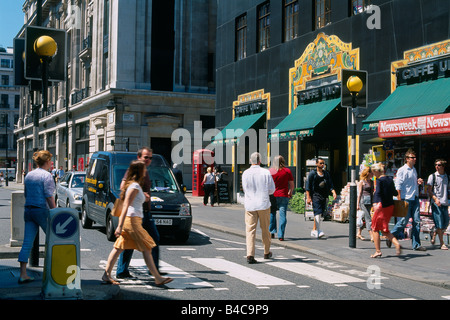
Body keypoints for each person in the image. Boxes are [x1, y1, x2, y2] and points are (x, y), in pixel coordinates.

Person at [102, 160, 173, 286]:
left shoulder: (135, 186)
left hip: (133, 221)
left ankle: (106, 275)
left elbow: (134, 201)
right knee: (147, 247)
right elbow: (125, 207)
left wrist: (144, 197)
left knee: (118, 248)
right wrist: (119, 226)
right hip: (132, 222)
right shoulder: (134, 187)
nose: (146, 171)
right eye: (144, 169)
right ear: (139, 171)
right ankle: (157, 278)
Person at [116, 147, 162, 278]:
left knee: (150, 240)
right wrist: (141, 194)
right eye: (146, 157)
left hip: (144, 213)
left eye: (150, 158)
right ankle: (123, 271)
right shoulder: (133, 170)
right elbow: (122, 186)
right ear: (139, 157)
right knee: (135, 242)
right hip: (136, 214)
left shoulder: (145, 171)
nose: (148, 160)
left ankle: (151, 270)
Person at [18, 150, 56, 284]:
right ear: (47, 162)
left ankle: (23, 274)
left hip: (28, 209)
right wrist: (55, 211)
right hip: (41, 209)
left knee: (27, 242)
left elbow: (26, 193)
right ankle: (54, 271)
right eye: (50, 160)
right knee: (53, 239)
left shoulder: (29, 175)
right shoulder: (47, 176)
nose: (51, 163)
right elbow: (48, 195)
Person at [242, 152, 275, 264]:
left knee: (250, 230)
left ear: (250, 161)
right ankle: (266, 252)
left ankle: (250, 254)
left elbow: (245, 189)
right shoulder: (266, 172)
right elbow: (272, 189)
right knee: (265, 229)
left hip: (250, 205)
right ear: (260, 161)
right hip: (263, 204)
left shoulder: (245, 173)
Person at [390, 149, 426, 251]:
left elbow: (412, 183)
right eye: (412, 158)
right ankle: (391, 235)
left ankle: (416, 245)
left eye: (415, 158)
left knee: (417, 222)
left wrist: (418, 182)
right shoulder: (402, 170)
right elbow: (398, 185)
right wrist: (400, 199)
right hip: (406, 199)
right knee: (403, 222)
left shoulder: (414, 169)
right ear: (407, 159)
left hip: (414, 198)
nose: (414, 159)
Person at [370, 163, 402, 258]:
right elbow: (394, 192)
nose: (373, 173)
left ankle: (378, 251)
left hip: (381, 206)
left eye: (373, 172)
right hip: (390, 206)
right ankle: (396, 244)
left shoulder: (379, 180)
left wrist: (375, 203)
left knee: (375, 228)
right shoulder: (389, 179)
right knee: (384, 229)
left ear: (376, 171)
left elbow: (378, 192)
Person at [305, 158, 337, 238]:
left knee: (319, 213)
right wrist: (308, 197)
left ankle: (314, 230)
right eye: (321, 163)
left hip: (323, 195)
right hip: (315, 195)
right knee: (317, 212)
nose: (322, 165)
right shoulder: (313, 174)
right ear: (316, 164)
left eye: (323, 163)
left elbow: (330, 184)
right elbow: (308, 187)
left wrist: (333, 192)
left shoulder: (326, 174)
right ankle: (319, 231)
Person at [269, 155, 294, 241]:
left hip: (272, 195)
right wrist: (290, 191)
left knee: (272, 213)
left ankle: (272, 232)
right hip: (283, 195)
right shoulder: (287, 171)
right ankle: (281, 235)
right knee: (283, 215)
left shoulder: (271, 171)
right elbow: (291, 184)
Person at [427, 159, 449, 250]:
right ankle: (442, 243)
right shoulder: (432, 176)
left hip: (445, 202)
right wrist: (435, 199)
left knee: (446, 223)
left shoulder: (447, 177)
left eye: (439, 165)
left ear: (443, 166)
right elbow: (429, 190)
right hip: (436, 203)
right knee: (439, 223)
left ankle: (435, 233)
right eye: (436, 164)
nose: (437, 166)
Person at [356, 166, 374, 241]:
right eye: (371, 172)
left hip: (369, 201)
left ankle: (359, 233)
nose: (373, 174)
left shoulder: (371, 182)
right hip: (363, 201)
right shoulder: (362, 182)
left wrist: (373, 202)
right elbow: (359, 193)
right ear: (368, 173)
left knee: (364, 217)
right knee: (368, 218)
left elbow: (372, 193)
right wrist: (357, 204)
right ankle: (372, 235)